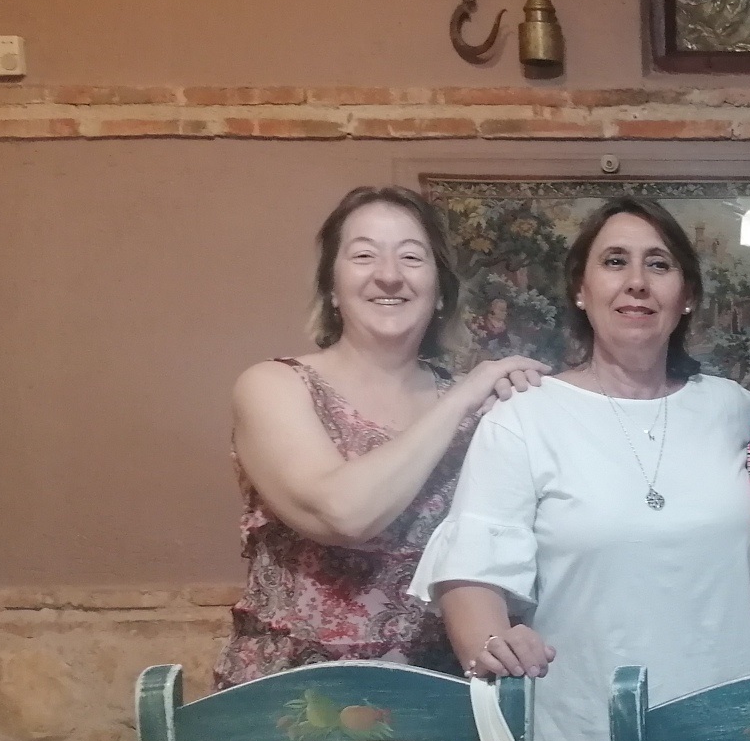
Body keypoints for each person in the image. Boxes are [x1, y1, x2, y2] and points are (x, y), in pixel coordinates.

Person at [410, 197, 750, 741]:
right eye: (614, 262)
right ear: (581, 289)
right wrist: (492, 642)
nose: (636, 281)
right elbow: (472, 571)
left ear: (686, 295)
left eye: (658, 264)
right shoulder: (526, 417)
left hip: (716, 738)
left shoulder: (734, 409)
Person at [217, 185, 544, 689]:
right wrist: (461, 397)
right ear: (331, 286)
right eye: (364, 255)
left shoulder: (488, 408)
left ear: (440, 290)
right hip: (292, 698)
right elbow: (343, 513)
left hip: (443, 695)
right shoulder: (273, 386)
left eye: (411, 257)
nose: (389, 275)